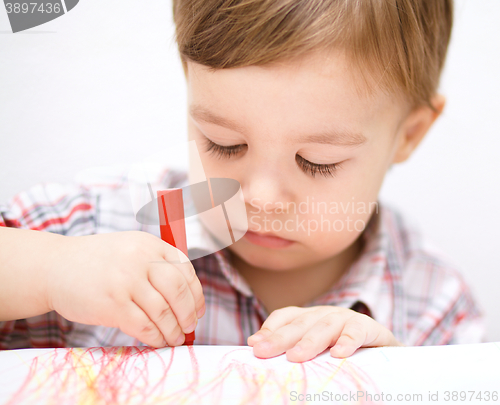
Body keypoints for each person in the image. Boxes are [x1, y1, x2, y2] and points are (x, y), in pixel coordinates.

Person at [0, 0, 484, 362]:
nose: (262, 199)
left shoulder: (435, 308)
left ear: (410, 134)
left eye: (317, 161)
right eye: (224, 144)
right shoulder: (94, 225)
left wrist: (398, 377)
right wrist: (50, 271)